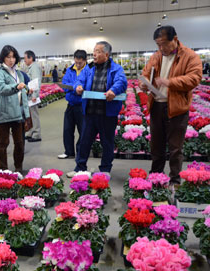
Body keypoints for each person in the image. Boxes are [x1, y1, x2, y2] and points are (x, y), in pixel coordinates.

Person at [140, 26, 202, 186]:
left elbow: (194, 78)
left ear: (175, 39)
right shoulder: (156, 56)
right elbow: (146, 73)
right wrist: (144, 83)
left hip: (177, 108)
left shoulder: (190, 56)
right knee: (156, 146)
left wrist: (170, 82)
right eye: (158, 45)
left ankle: (175, 180)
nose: (161, 48)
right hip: (156, 106)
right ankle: (156, 177)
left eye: (164, 44)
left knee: (175, 148)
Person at [67, 41, 127, 178]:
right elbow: (79, 80)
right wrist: (78, 86)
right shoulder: (89, 68)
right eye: (94, 51)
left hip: (107, 113)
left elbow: (121, 82)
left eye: (98, 51)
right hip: (90, 112)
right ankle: (79, 167)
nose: (94, 54)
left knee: (107, 142)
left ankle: (105, 169)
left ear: (106, 54)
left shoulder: (116, 69)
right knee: (84, 141)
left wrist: (113, 90)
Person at [0, 45, 31, 173]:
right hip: (5, 112)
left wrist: (28, 90)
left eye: (13, 57)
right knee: (3, 143)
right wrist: (16, 87)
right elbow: (1, 89)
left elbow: (22, 92)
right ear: (3, 58)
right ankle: (2, 169)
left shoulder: (19, 73)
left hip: (18, 113)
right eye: (8, 57)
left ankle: (19, 168)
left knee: (19, 143)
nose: (11, 60)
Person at [58, 50, 88, 159]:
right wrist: (76, 89)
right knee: (67, 129)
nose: (78, 65)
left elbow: (87, 86)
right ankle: (69, 152)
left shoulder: (89, 70)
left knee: (83, 130)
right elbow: (65, 84)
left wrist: (75, 88)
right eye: (76, 62)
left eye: (80, 63)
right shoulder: (70, 70)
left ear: (85, 60)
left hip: (82, 105)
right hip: (70, 104)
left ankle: (80, 152)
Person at [24, 50, 42, 142]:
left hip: (33, 95)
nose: (24, 60)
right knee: (30, 115)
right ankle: (30, 132)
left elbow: (36, 81)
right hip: (30, 95)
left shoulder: (34, 67)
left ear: (31, 58)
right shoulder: (31, 67)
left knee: (34, 115)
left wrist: (35, 95)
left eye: (25, 58)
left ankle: (36, 134)